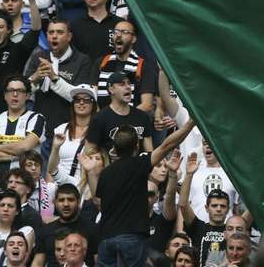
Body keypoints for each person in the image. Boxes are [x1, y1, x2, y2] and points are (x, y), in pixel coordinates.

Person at [82, 119, 196, 267]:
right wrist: (190, 123)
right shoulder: (140, 163)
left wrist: (91, 173)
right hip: (132, 239)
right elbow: (167, 145)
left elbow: (98, 203)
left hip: (106, 239)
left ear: (115, 148)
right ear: (136, 145)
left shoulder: (106, 173)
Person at [24, 18, 95, 138]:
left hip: (69, 127)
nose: (54, 36)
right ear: (46, 35)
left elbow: (78, 97)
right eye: (51, 32)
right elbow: (24, 93)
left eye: (60, 32)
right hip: (39, 127)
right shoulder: (38, 57)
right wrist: (35, 77)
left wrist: (53, 77)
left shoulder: (82, 60)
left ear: (69, 36)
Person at [180, 153, 231, 267]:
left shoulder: (233, 231)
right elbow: (183, 204)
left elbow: (253, 210)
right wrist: (189, 175)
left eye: (222, 206)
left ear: (228, 209)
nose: (218, 209)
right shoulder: (198, 227)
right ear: (206, 208)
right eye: (214, 206)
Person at [85, 71, 153, 155]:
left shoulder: (142, 116)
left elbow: (150, 153)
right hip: (111, 166)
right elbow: (88, 153)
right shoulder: (99, 119)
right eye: (122, 84)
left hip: (137, 166)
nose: (128, 87)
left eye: (129, 83)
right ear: (111, 89)